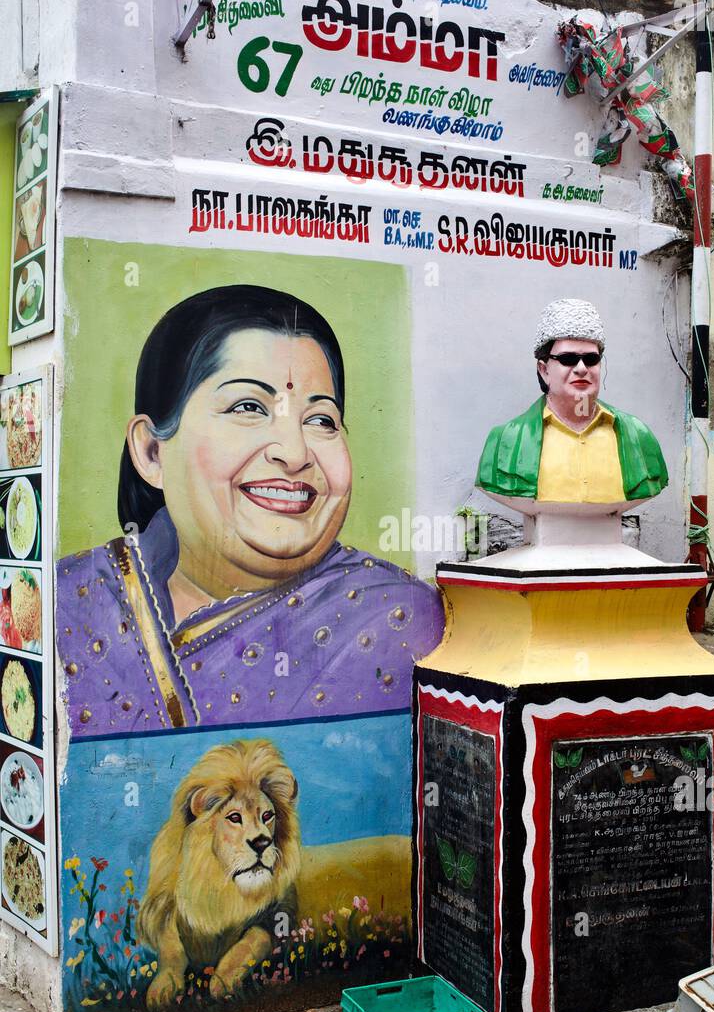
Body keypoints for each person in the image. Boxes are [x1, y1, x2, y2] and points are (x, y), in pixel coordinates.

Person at [56, 285, 444, 737]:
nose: (294, 453)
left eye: (321, 420)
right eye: (248, 407)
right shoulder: (65, 599)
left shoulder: (393, 617)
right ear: (151, 452)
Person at [476, 298, 668, 503]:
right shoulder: (506, 439)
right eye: (568, 359)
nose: (582, 368)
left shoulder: (638, 435)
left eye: (591, 359)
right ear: (544, 370)